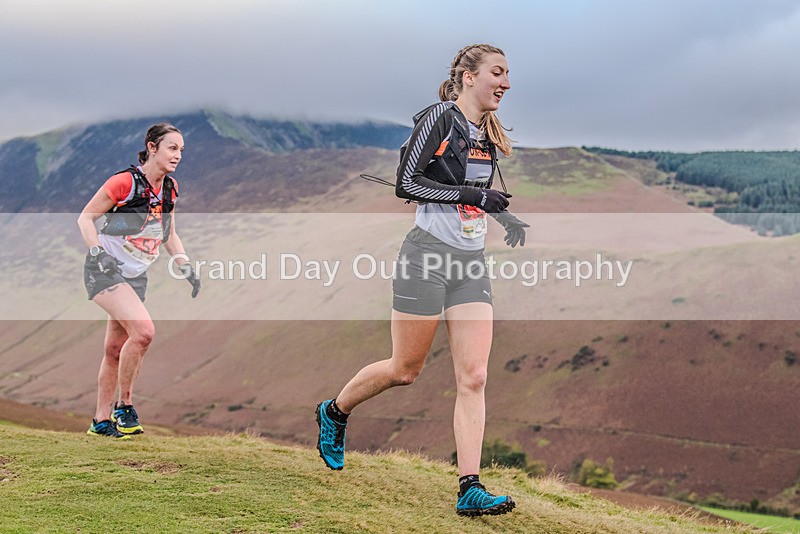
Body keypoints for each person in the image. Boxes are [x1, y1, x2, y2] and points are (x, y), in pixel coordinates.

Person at [316, 44, 529, 516]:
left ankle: (469, 487)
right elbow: (407, 184)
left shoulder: (485, 134)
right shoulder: (438, 118)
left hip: (470, 262)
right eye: (498, 73)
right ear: (469, 76)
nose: (507, 83)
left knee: (474, 375)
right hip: (426, 257)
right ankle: (335, 411)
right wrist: (472, 193)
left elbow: (470, 199)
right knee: (405, 370)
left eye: (509, 74)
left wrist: (501, 213)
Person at [77, 123, 201, 439]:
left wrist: (184, 264)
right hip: (104, 270)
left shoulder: (170, 188)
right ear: (152, 147)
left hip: (136, 275)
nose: (178, 156)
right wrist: (96, 252)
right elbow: (85, 218)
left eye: (182, 150)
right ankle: (124, 406)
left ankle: (100, 422)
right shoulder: (124, 182)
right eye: (172, 148)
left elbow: (168, 233)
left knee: (116, 349)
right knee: (144, 332)